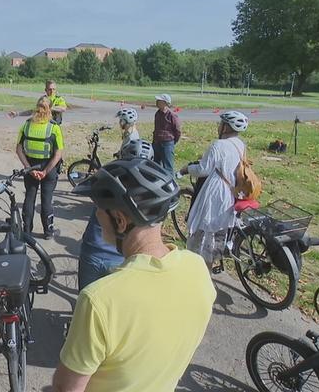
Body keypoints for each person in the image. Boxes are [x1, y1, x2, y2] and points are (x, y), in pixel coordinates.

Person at [54, 159, 215, 392]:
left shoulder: (99, 299)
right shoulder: (198, 268)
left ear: (120, 220)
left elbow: (65, 389)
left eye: (98, 211)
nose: (98, 218)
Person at [78, 138, 154, 291]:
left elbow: (86, 187)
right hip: (122, 258)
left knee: (84, 301)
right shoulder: (152, 191)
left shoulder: (108, 177)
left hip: (93, 250)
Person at [179, 111, 249, 269]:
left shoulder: (217, 145)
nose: (218, 126)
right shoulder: (240, 145)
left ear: (225, 127)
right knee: (218, 231)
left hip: (215, 191)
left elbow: (203, 169)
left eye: (220, 124)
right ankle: (211, 262)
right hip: (231, 191)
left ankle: (200, 267)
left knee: (203, 229)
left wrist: (187, 168)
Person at [16, 97, 64, 239]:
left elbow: (18, 149)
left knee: (29, 198)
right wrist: (45, 171)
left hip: (30, 167)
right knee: (47, 200)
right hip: (48, 169)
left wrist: (29, 169)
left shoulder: (26, 125)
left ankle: (27, 231)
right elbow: (58, 153)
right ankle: (48, 233)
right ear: (50, 110)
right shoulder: (54, 127)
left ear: (36, 107)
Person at [152, 93, 181, 174]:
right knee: (155, 165)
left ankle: (170, 184)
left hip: (167, 143)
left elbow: (177, 131)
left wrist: (172, 142)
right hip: (156, 142)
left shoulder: (172, 115)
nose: (157, 102)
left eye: (159, 100)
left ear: (165, 103)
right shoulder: (157, 113)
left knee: (168, 167)